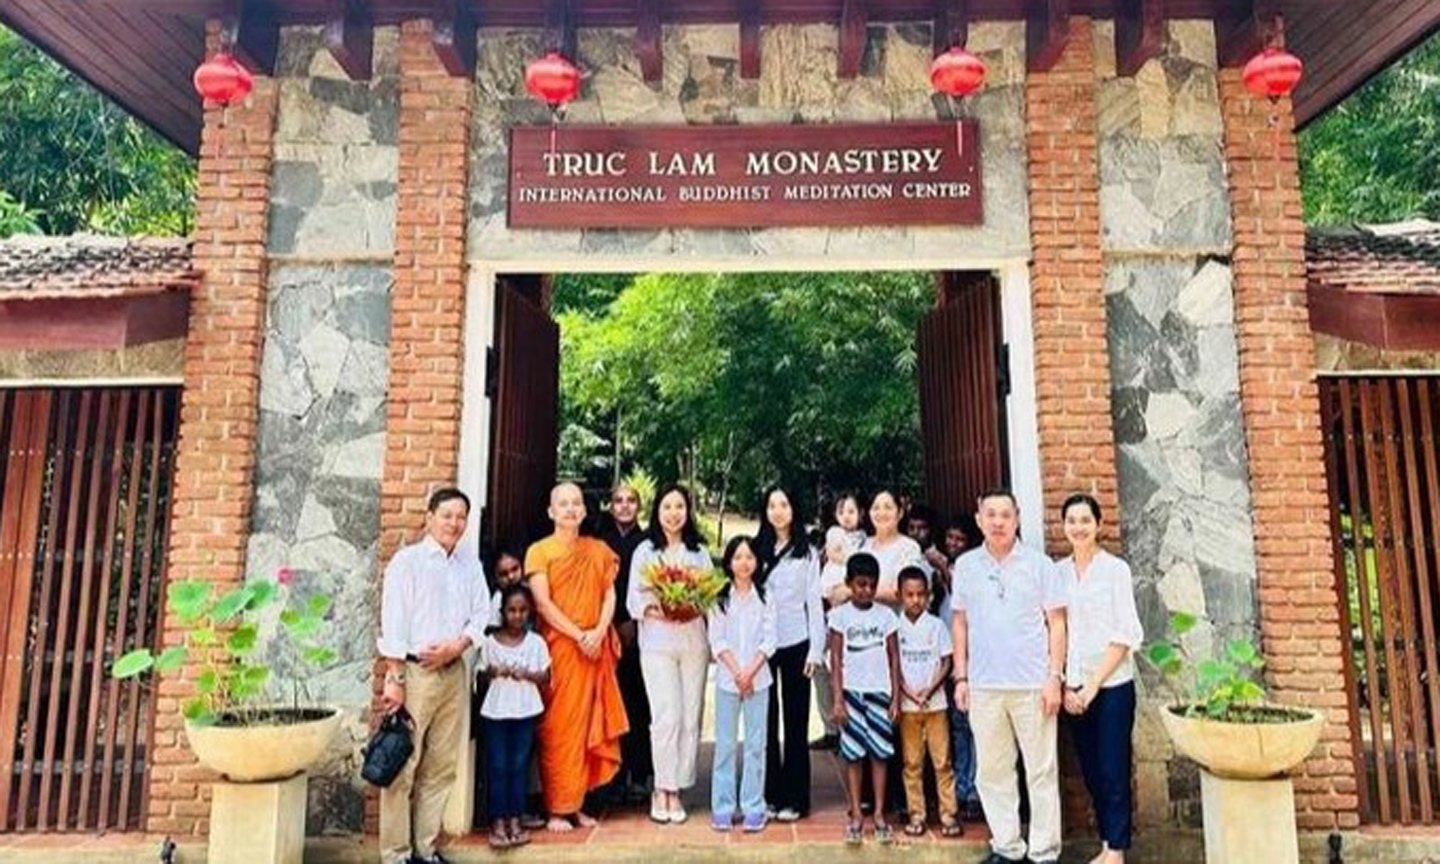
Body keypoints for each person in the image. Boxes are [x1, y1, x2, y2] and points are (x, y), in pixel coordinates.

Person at [951, 488, 1069, 864]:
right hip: (985, 686)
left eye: (1005, 514)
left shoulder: (1039, 565)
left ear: (1017, 518)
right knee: (993, 771)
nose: (998, 521)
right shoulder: (967, 566)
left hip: (1033, 685)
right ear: (979, 519)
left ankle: (1045, 852)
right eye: (991, 514)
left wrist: (1055, 676)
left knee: (1041, 770)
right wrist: (961, 677)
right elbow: (960, 624)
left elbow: (1057, 623)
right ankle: (1007, 846)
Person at [377, 487, 491, 864]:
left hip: (453, 671)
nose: (454, 523)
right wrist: (394, 677)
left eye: (461, 517)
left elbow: (481, 616)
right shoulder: (407, 563)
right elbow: (393, 621)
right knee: (402, 764)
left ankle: (425, 850)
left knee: (440, 766)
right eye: (447, 515)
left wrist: (457, 647)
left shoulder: (470, 565)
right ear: (429, 516)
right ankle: (396, 854)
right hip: (415, 672)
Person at [525, 482, 629, 832]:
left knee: (587, 728)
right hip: (562, 648)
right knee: (559, 728)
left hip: (593, 648)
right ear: (551, 512)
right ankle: (557, 807)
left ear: (585, 511)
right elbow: (542, 603)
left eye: (576, 504)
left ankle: (577, 806)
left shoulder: (598, 550)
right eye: (563, 504)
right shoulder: (539, 552)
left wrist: (599, 631)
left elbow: (609, 596)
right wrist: (578, 634)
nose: (570, 509)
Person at [1059, 494, 1143, 864]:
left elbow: (1126, 633)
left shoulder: (1115, 570)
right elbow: (1054, 629)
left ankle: (1115, 851)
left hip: (1110, 687)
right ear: (1064, 527)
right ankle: (1107, 841)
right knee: (1091, 770)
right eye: (1072, 520)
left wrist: (1092, 685)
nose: (1078, 527)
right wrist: (1064, 685)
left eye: (1085, 520)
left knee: (1113, 768)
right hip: (1072, 688)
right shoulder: (1057, 573)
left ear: (1098, 524)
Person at [626, 484, 713, 824]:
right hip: (658, 642)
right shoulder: (645, 551)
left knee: (691, 715)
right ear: (657, 511)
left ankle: (678, 787)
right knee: (666, 716)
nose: (674, 513)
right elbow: (634, 597)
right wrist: (659, 607)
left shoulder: (699, 552)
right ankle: (661, 787)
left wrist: (691, 604)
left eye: (679, 507)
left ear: (688, 512)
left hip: (693, 642)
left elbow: (710, 598)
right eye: (667, 507)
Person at [755, 487, 823, 822]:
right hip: (764, 647)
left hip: (798, 642)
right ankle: (770, 794)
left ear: (794, 509)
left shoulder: (807, 552)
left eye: (784, 504)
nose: (778, 511)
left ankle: (796, 798)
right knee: (765, 723)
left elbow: (814, 602)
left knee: (796, 723)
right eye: (772, 505)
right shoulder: (756, 550)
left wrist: (816, 647)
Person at [828, 552, 901, 846]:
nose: (866, 591)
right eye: (860, 584)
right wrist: (837, 699)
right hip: (851, 694)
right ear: (848, 584)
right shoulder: (839, 616)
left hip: (880, 693)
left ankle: (880, 813)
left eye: (871, 585)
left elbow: (894, 657)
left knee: (880, 753)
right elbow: (835, 657)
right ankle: (857, 812)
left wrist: (895, 698)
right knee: (853, 754)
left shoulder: (886, 616)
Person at [708, 535, 777, 833]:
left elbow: (770, 639)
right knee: (724, 746)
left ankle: (753, 806)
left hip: (759, 681)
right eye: (737, 557)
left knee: (755, 746)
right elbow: (717, 640)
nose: (744, 562)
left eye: (749, 557)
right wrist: (739, 673)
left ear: (757, 562)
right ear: (729, 562)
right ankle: (722, 807)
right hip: (727, 680)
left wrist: (750, 673)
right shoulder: (720, 597)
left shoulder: (766, 595)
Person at [479, 584, 551, 849]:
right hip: (497, 711)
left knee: (519, 766)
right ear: (502, 612)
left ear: (529, 612)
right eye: (511, 610)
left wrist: (527, 675)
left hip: (525, 710)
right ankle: (498, 822)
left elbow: (546, 676)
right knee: (498, 765)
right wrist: (494, 671)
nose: (517, 616)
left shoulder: (536, 643)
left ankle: (515, 820)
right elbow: (481, 673)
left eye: (522, 610)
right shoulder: (490, 643)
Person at [895, 567, 962, 837]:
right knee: (912, 763)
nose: (915, 600)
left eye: (921, 595)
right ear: (899, 595)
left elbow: (946, 661)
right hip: (908, 706)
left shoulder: (936, 626)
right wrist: (909, 693)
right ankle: (917, 815)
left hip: (936, 705)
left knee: (942, 761)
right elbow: (894, 666)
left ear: (929, 596)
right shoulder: (895, 627)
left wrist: (930, 689)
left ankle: (949, 815)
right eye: (909, 594)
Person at [597, 484, 653, 802]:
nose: (624, 506)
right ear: (611, 505)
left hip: (640, 630)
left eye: (631, 501)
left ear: (639, 507)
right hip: (607, 632)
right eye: (618, 500)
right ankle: (613, 777)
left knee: (639, 704)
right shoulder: (600, 542)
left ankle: (641, 773)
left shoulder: (647, 543)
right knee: (611, 704)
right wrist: (611, 625)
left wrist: (634, 621)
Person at [813, 492, 865, 751]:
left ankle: (849, 729)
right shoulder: (835, 534)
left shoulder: (866, 540)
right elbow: (834, 554)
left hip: (854, 612)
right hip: (831, 605)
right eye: (842, 511)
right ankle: (832, 728)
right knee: (825, 668)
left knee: (846, 669)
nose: (847, 516)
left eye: (852, 511)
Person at [862, 489, 925, 608]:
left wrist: (857, 591)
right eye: (876, 508)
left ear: (900, 513)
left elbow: (901, 592)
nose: (881, 513)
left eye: (888, 507)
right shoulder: (863, 546)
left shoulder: (909, 548)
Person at [487, 547, 525, 628]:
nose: (511, 577)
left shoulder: (532, 591)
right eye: (503, 574)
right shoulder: (497, 600)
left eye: (515, 569)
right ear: (495, 578)